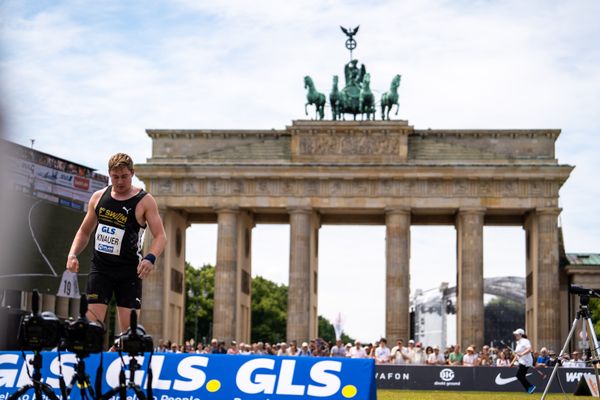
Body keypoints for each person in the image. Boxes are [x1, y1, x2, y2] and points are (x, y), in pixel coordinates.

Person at [66, 153, 166, 332]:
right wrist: (72, 254)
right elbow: (84, 230)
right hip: (101, 269)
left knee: (129, 334)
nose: (120, 182)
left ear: (132, 173)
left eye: (124, 177)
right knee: (90, 328)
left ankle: (120, 354)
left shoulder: (144, 201)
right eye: (115, 177)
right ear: (109, 174)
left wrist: (150, 258)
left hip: (129, 272)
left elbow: (160, 236)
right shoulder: (98, 197)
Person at [512, 328, 536, 394]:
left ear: (521, 334)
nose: (515, 335)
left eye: (517, 334)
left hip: (526, 362)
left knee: (519, 375)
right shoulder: (518, 343)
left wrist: (522, 354)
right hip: (522, 361)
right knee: (520, 376)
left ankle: (530, 387)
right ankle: (530, 388)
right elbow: (517, 354)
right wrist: (512, 362)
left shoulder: (525, 341)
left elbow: (529, 349)